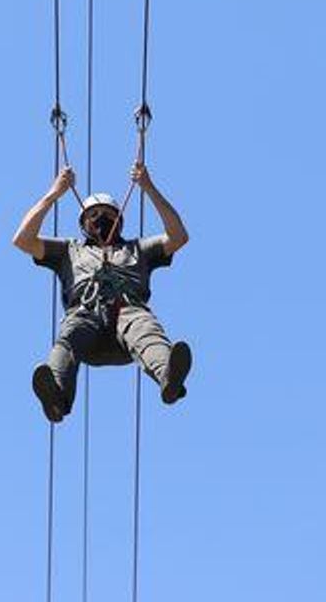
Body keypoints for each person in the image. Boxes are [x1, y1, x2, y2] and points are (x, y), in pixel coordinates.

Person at [11, 161, 192, 423]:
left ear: (119, 221)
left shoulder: (138, 249)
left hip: (126, 321)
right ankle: (56, 397)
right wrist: (54, 193)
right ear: (84, 224)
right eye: (94, 214)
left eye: (108, 213)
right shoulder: (69, 250)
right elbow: (23, 239)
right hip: (88, 324)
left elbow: (178, 237)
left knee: (143, 326)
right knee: (71, 333)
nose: (101, 219)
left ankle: (169, 378)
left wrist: (148, 188)